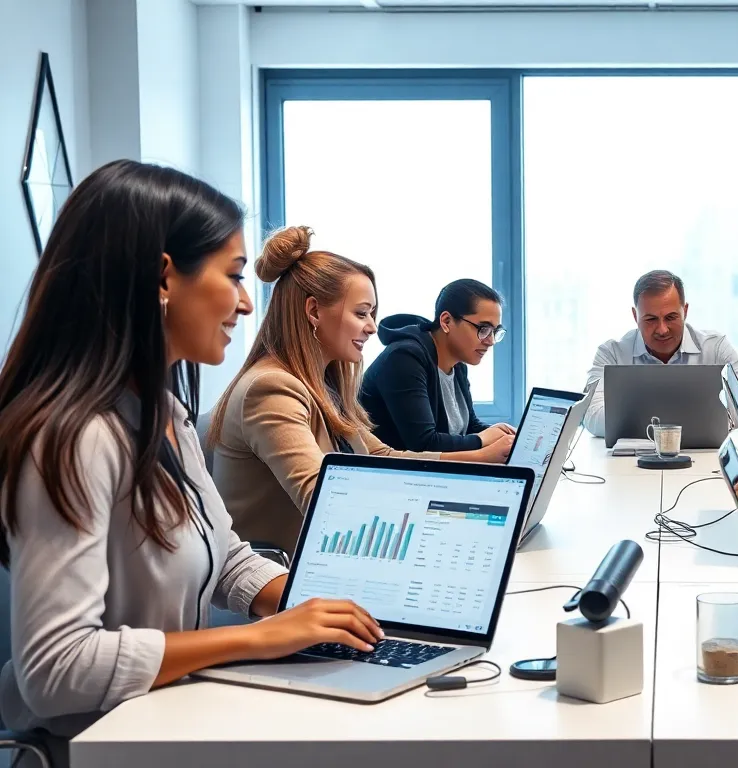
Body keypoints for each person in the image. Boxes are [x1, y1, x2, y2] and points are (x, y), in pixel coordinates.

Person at [0, 162, 380, 766]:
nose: (247, 302)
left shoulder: (164, 412)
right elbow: (56, 667)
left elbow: (226, 559)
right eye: (232, 275)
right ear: (162, 278)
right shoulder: (73, 437)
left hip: (171, 720)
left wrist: (318, 609)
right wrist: (255, 638)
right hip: (99, 746)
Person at [210, 229, 509, 556]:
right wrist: (446, 513)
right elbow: (325, 498)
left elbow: (383, 457)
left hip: (331, 555)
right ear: (313, 312)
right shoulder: (271, 388)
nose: (371, 327)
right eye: (361, 313)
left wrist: (472, 475)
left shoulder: (323, 386)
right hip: (284, 579)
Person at [583, 269, 738, 437]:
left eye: (670, 317)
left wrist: (644, 421)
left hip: (705, 463)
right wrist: (699, 422)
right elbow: (591, 416)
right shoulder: (611, 354)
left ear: (685, 311)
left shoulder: (715, 348)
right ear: (635, 316)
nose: (662, 329)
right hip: (630, 464)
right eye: (651, 319)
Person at [359, 279, 515, 453]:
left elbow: (468, 427)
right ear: (446, 321)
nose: (491, 341)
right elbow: (424, 443)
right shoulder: (404, 358)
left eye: (495, 331)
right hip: (392, 475)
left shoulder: (458, 365)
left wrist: (503, 435)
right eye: (483, 329)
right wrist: (482, 440)